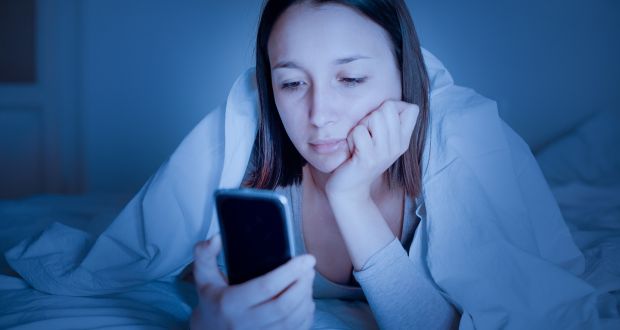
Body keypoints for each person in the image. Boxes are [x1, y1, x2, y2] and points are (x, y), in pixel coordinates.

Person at [189, 0, 597, 329]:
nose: (318, 114)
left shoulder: (453, 153)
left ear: (404, 73)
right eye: (293, 83)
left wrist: (349, 197)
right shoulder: (251, 170)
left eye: (349, 79)